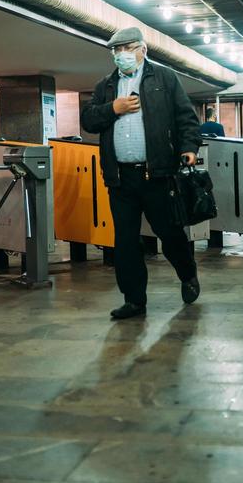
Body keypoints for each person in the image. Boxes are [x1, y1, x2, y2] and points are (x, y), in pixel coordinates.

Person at [81, 26, 202, 319]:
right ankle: (134, 300)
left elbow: (186, 117)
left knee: (169, 233)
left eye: (126, 48)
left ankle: (188, 274)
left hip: (157, 174)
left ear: (142, 50)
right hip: (120, 179)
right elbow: (88, 120)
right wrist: (114, 108)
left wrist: (189, 147)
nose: (120, 55)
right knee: (125, 242)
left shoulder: (163, 78)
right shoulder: (107, 86)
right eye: (116, 50)